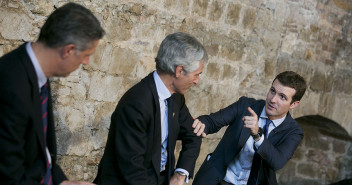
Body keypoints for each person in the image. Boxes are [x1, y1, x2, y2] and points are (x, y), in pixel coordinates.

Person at [0, 3, 105, 185]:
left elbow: (41, 155)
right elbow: (9, 176)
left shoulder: (38, 74)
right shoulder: (11, 86)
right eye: (86, 54)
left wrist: (63, 183)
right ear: (68, 50)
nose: (87, 62)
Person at [94, 32, 207, 185]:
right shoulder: (136, 103)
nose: (196, 81)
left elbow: (193, 134)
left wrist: (180, 174)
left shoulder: (176, 98)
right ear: (179, 71)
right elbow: (132, 169)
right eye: (196, 75)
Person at [192, 71, 306, 185]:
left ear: (293, 104)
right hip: (218, 180)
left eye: (282, 97)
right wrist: (202, 123)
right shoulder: (246, 106)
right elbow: (212, 122)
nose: (273, 99)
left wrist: (258, 136)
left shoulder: (293, 132)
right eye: (272, 91)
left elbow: (277, 162)